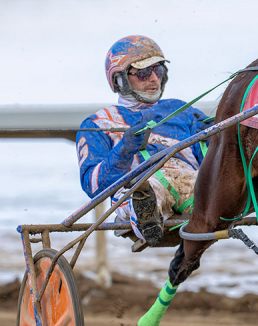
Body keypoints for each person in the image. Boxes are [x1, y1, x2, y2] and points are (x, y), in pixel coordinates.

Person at [76, 35, 211, 246]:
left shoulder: (181, 110)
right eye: (143, 73)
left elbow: (213, 161)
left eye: (159, 70)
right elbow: (92, 186)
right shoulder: (98, 123)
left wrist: (214, 138)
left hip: (194, 185)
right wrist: (124, 151)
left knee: (233, 182)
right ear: (119, 79)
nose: (154, 78)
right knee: (146, 189)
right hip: (143, 186)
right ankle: (146, 215)